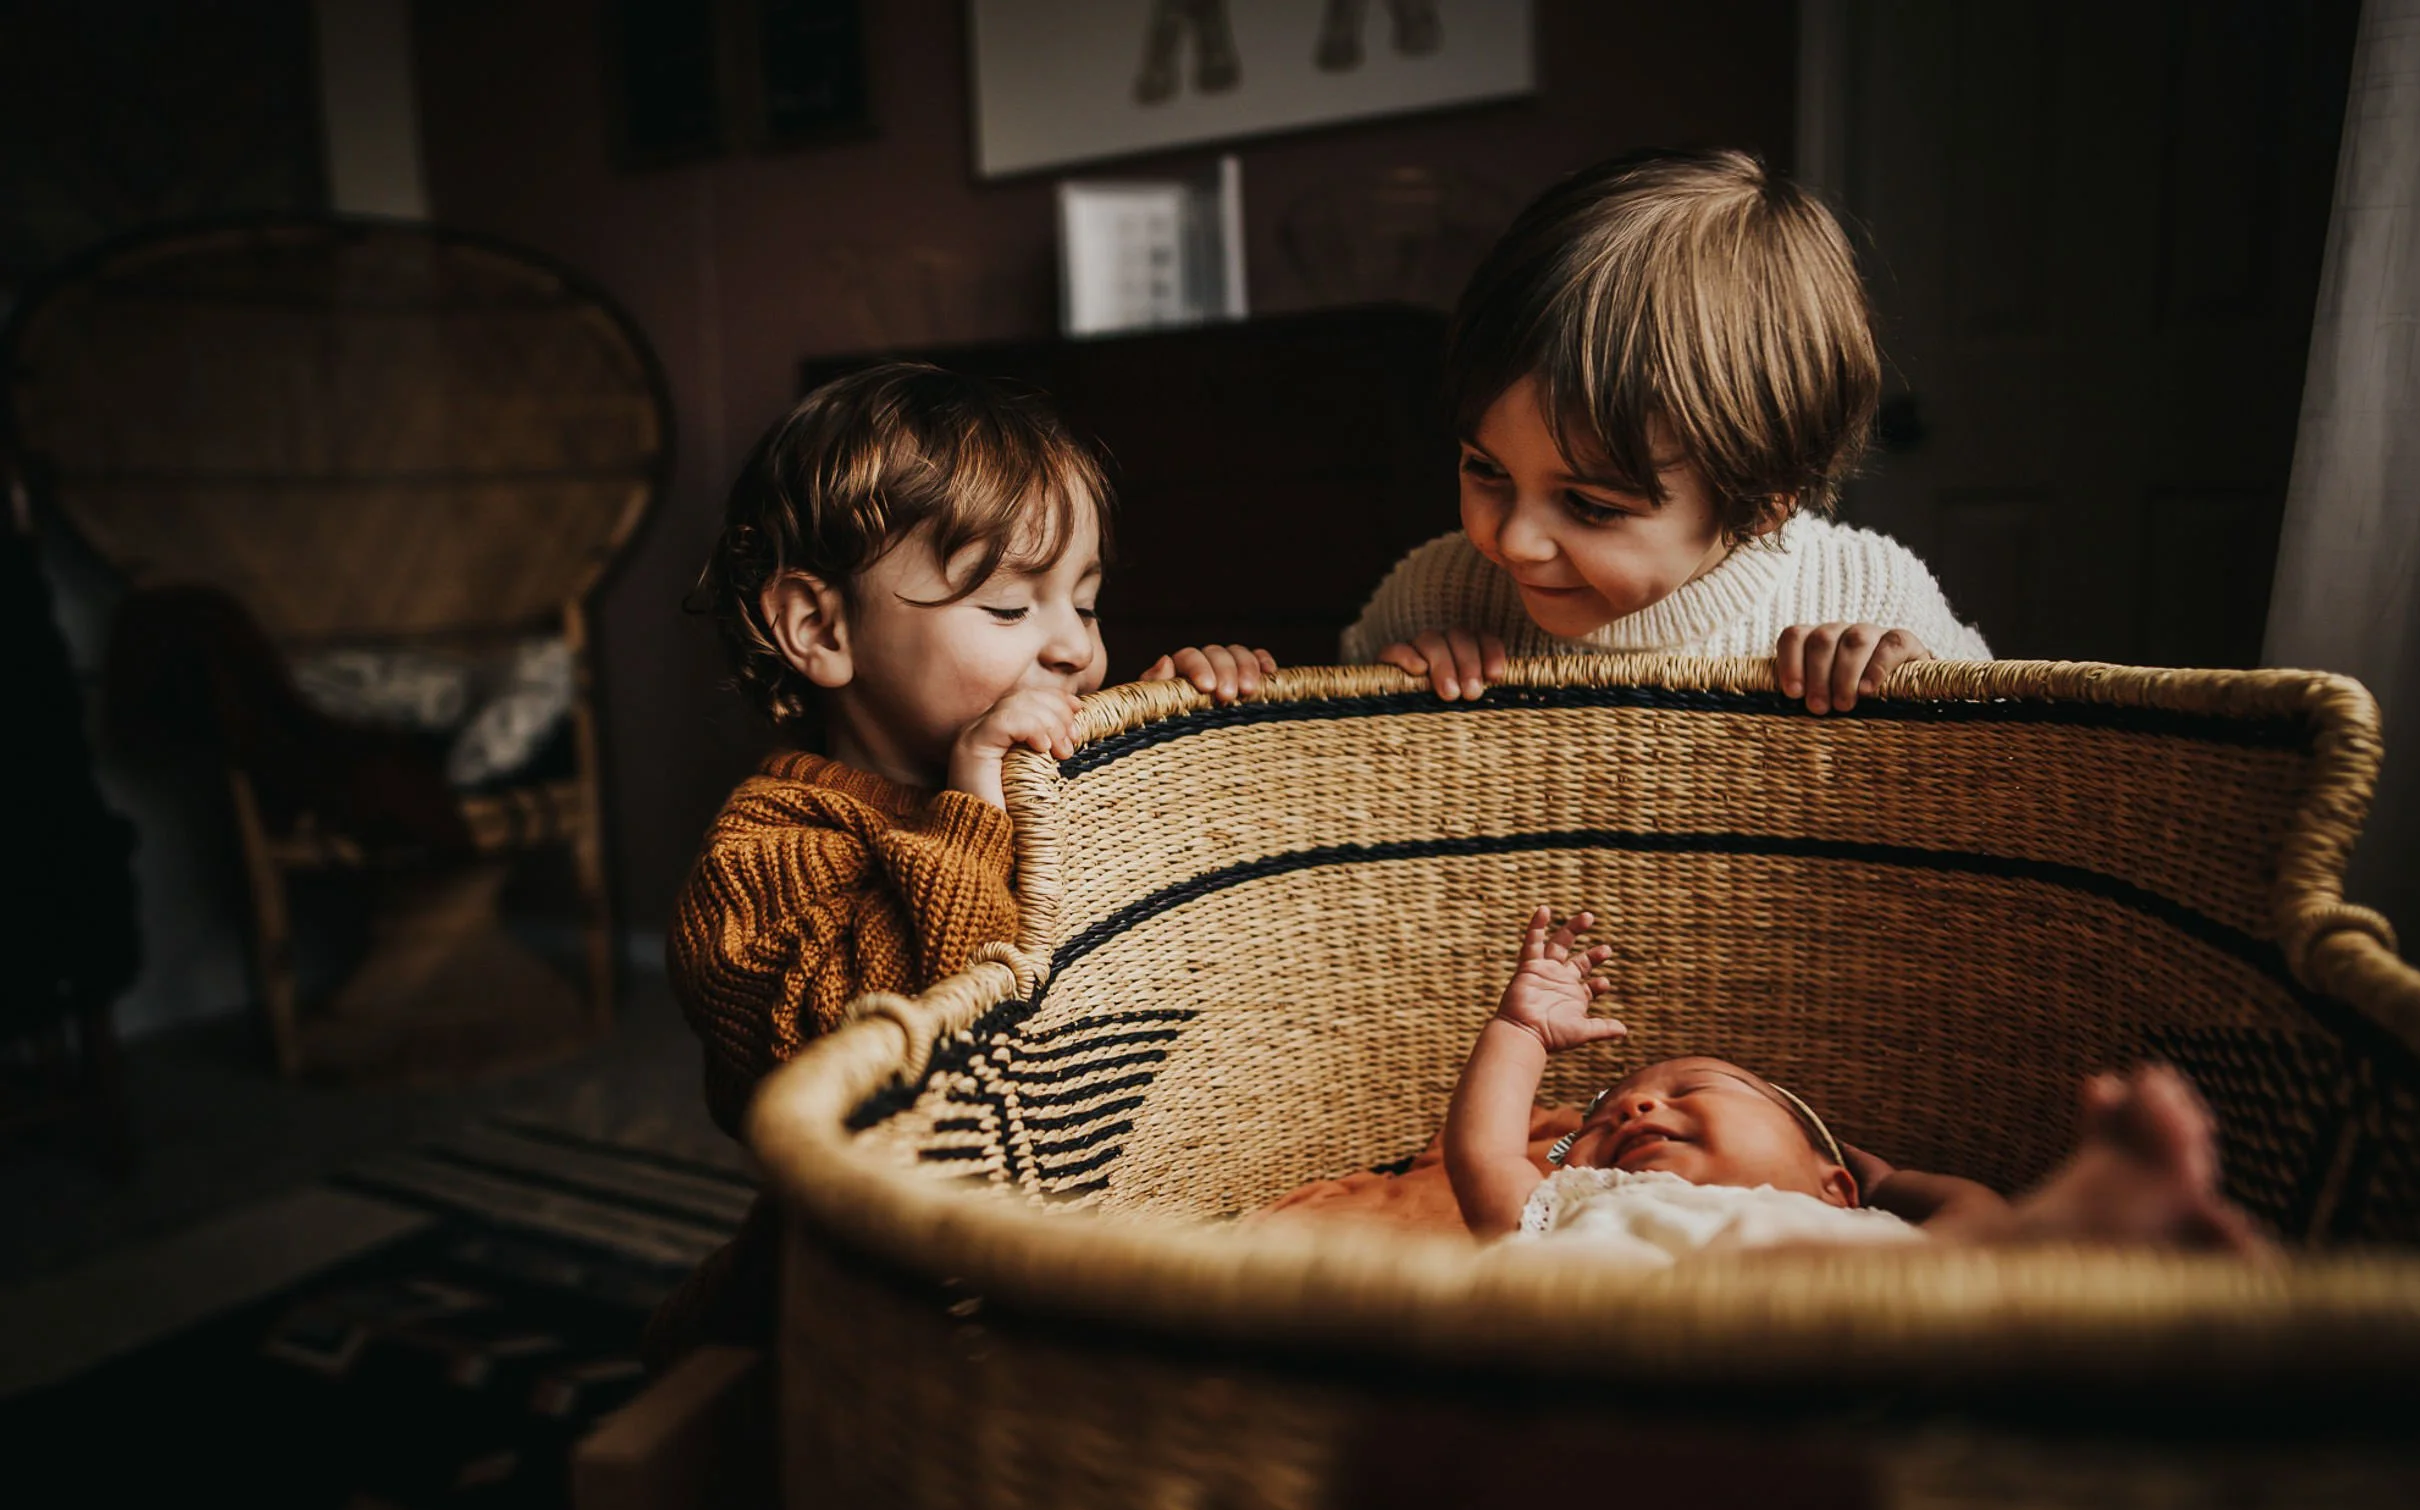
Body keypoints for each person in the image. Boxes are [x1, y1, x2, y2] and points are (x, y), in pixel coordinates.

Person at [651, 362, 1271, 1360]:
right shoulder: (761, 855)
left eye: (1087, 600)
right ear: (819, 627)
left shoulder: (1048, 771)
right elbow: (876, 1078)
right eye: (1009, 609)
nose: (1074, 647)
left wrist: (1188, 731)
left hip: (1070, 1220)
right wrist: (971, 810)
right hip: (868, 1293)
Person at [1343, 149, 1991, 714]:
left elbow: (2008, 756)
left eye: (1590, 505)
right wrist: (1394, 692)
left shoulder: (1864, 593)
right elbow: (1324, 760)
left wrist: (1918, 682)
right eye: (1486, 468)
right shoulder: (1436, 596)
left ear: (1765, 498)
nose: (1513, 539)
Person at [1446, 907, 2271, 1258]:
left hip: (1872, 1359)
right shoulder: (1574, 1206)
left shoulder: (1850, 1223)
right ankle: (2049, 1237)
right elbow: (1485, 1153)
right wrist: (1520, 1031)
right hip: (1615, 1375)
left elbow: (1964, 1208)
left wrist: (1887, 1183)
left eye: (1692, 1086)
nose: (1636, 1102)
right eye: (1599, 1115)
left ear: (1834, 1183)